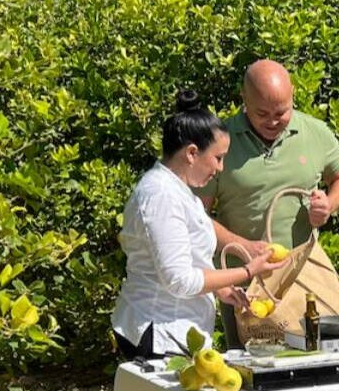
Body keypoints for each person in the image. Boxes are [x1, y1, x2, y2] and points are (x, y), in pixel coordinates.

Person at [111, 90, 288, 359]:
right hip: (160, 333)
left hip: (178, 331)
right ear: (192, 153)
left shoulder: (179, 189)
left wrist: (224, 289)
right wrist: (248, 271)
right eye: (218, 158)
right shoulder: (161, 195)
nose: (220, 168)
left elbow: (191, 256)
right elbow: (179, 280)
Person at [197, 60, 339, 347]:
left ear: (293, 95)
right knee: (253, 375)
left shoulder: (315, 132)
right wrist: (243, 246)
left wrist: (328, 204)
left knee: (317, 364)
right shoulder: (220, 141)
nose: (272, 121)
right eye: (262, 113)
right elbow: (195, 217)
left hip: (306, 278)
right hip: (245, 284)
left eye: (281, 112)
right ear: (243, 99)